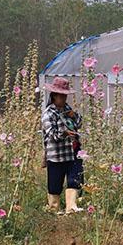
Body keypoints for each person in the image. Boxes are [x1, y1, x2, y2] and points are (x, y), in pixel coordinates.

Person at [41, 76, 84, 214]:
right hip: (57, 155)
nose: (64, 100)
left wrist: (74, 116)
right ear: (54, 96)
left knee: (75, 179)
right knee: (54, 185)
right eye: (61, 97)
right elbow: (52, 135)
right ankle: (54, 210)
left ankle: (71, 208)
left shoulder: (67, 109)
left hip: (73, 152)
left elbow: (78, 124)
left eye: (65, 97)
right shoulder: (48, 114)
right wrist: (64, 134)